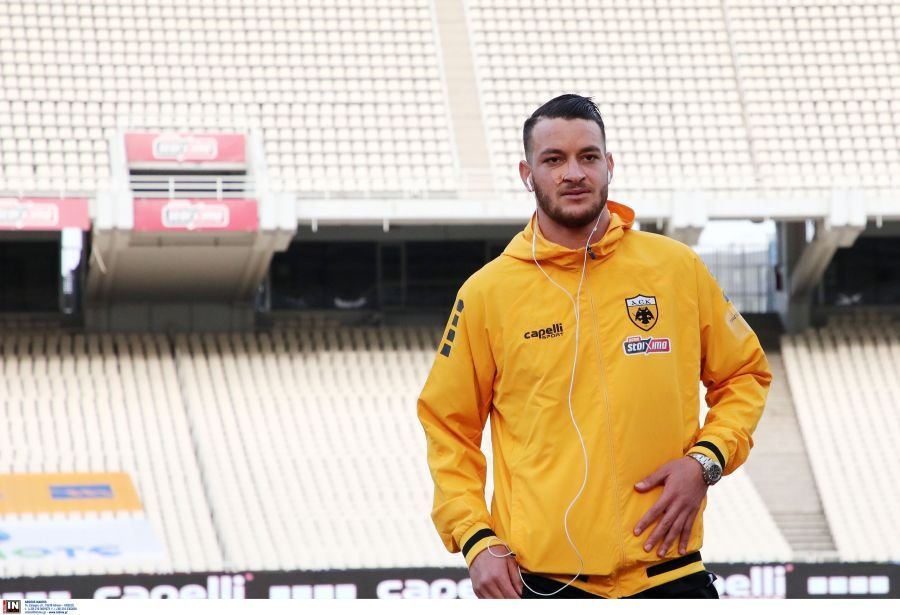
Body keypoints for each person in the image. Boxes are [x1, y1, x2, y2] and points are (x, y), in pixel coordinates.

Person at [417, 94, 772, 599]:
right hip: (544, 584)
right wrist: (475, 538)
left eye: (587, 156)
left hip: (670, 573)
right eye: (553, 159)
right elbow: (448, 425)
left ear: (609, 165)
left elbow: (744, 375)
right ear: (527, 173)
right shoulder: (486, 294)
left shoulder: (676, 268)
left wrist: (705, 462)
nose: (573, 173)